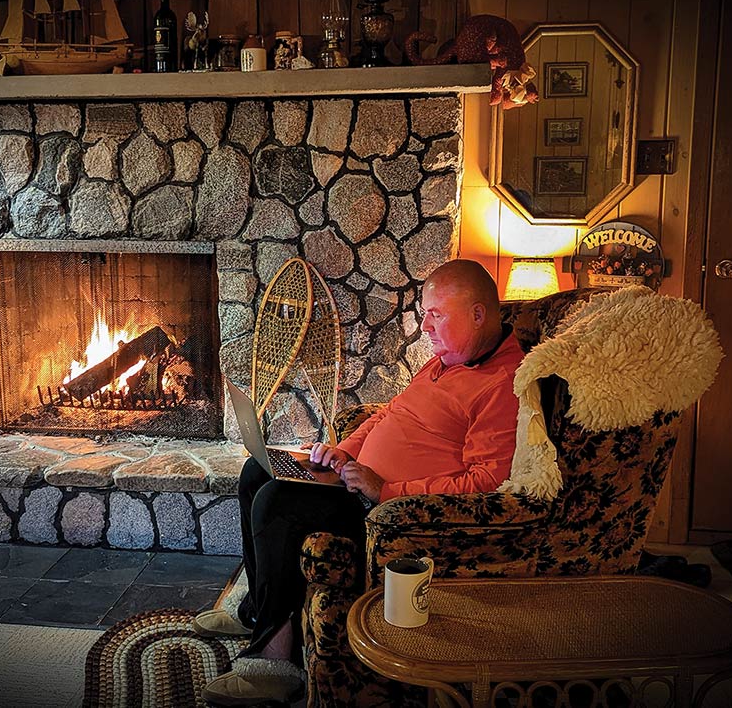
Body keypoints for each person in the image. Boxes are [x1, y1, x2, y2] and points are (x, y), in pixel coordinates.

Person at [199, 259, 525, 706]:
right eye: (423, 312)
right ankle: (259, 609)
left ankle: (276, 662)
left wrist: (384, 490)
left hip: (388, 515)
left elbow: (486, 483)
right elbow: (389, 414)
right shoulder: (447, 361)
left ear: (478, 314)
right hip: (358, 485)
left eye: (436, 314)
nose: (425, 326)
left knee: (277, 502)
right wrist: (345, 451)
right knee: (258, 471)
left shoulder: (504, 384)